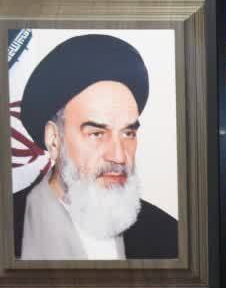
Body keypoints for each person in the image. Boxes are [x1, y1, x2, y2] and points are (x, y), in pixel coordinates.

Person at [13, 34, 177, 260]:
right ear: (54, 139)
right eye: (97, 134)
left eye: (128, 133)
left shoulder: (168, 235)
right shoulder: (10, 227)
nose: (119, 156)